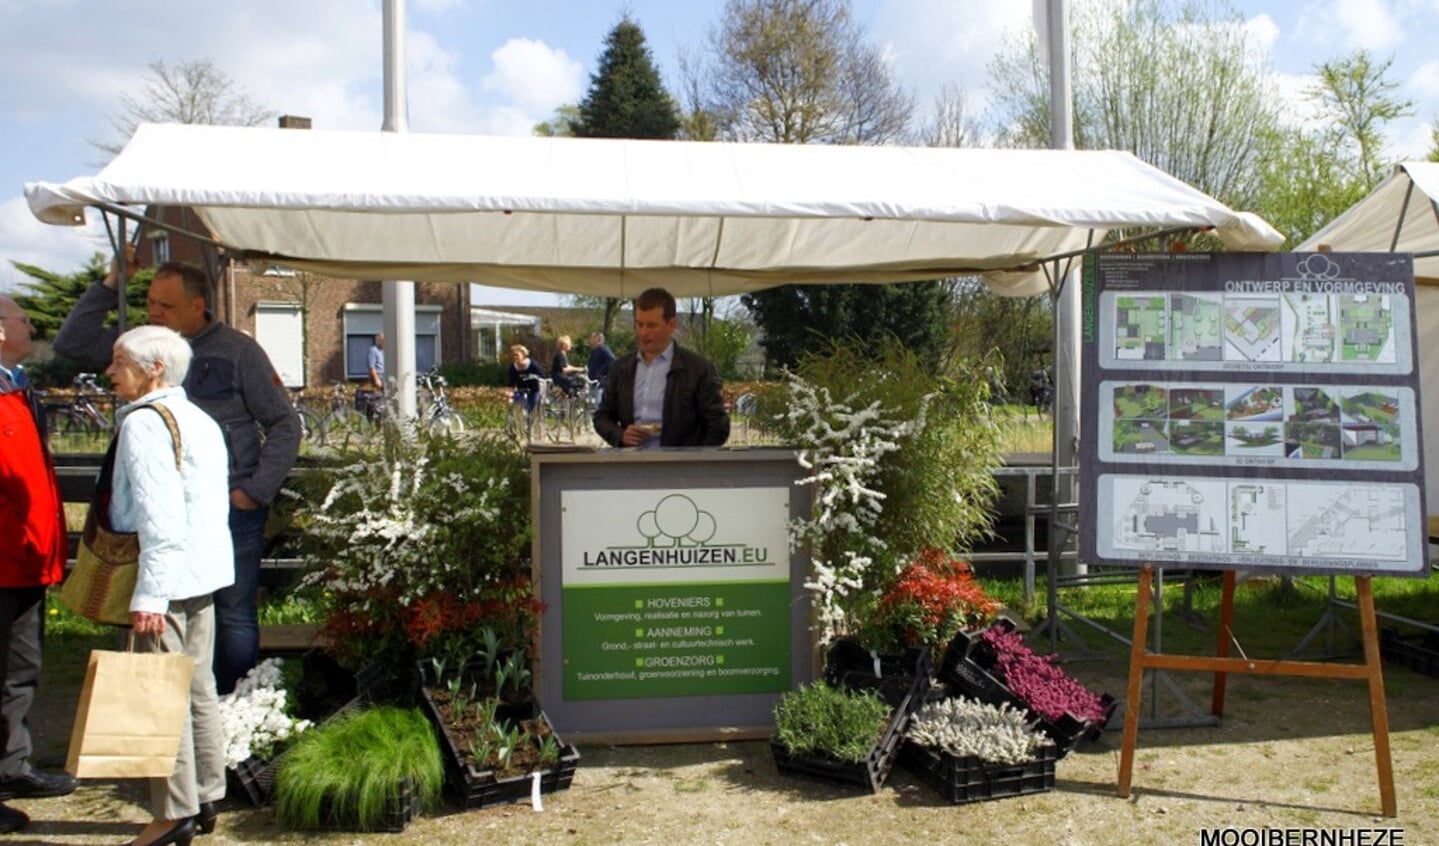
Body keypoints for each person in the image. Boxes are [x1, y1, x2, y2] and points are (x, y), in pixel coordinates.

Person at [54, 258, 300, 696]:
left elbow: (284, 423)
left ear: (198, 305)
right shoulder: (141, 348)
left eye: (165, 305)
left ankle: (235, 710)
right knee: (158, 612)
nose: (154, 313)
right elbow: (71, 343)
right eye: (149, 302)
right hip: (158, 512)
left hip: (228, 507)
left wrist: (254, 491)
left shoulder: (238, 352)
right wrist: (111, 284)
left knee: (234, 613)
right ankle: (173, 711)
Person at [106, 325, 232, 846]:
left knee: (160, 697)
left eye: (119, 362)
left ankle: (172, 812)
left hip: (166, 577)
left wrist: (150, 595)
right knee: (197, 686)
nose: (110, 372)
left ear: (153, 368)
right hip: (202, 573)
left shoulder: (144, 424)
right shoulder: (199, 417)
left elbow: (159, 516)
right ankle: (206, 794)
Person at [0, 297, 78, 835]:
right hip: (8, 556)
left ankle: (12, 764)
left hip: (26, 560)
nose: (30, 325)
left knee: (20, 668)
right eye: (21, 319)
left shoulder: (18, 386)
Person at [593, 288, 729, 448]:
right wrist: (620, 435)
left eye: (651, 325)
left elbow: (718, 426)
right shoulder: (621, 368)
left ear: (671, 324)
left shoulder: (698, 369)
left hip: (680, 468)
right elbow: (602, 417)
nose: (643, 333)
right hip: (631, 466)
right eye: (639, 324)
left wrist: (693, 461)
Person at [506, 344, 545, 413]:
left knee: (533, 405)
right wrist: (510, 395)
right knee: (521, 407)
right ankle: (522, 421)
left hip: (534, 390)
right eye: (514, 355)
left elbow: (542, 376)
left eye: (517, 355)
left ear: (523, 355)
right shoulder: (513, 368)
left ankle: (532, 421)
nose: (515, 357)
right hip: (521, 390)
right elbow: (511, 383)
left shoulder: (533, 365)